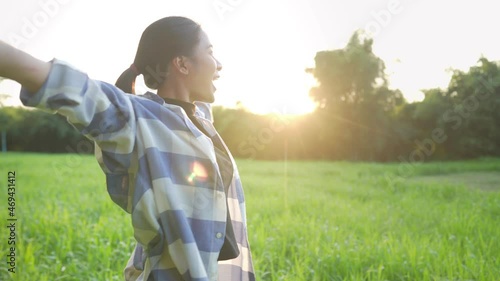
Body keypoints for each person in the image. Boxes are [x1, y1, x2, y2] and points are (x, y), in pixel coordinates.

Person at [0, 16, 255, 281]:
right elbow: (71, 88)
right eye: (211, 52)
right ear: (181, 63)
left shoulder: (201, 120)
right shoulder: (135, 119)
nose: (220, 64)